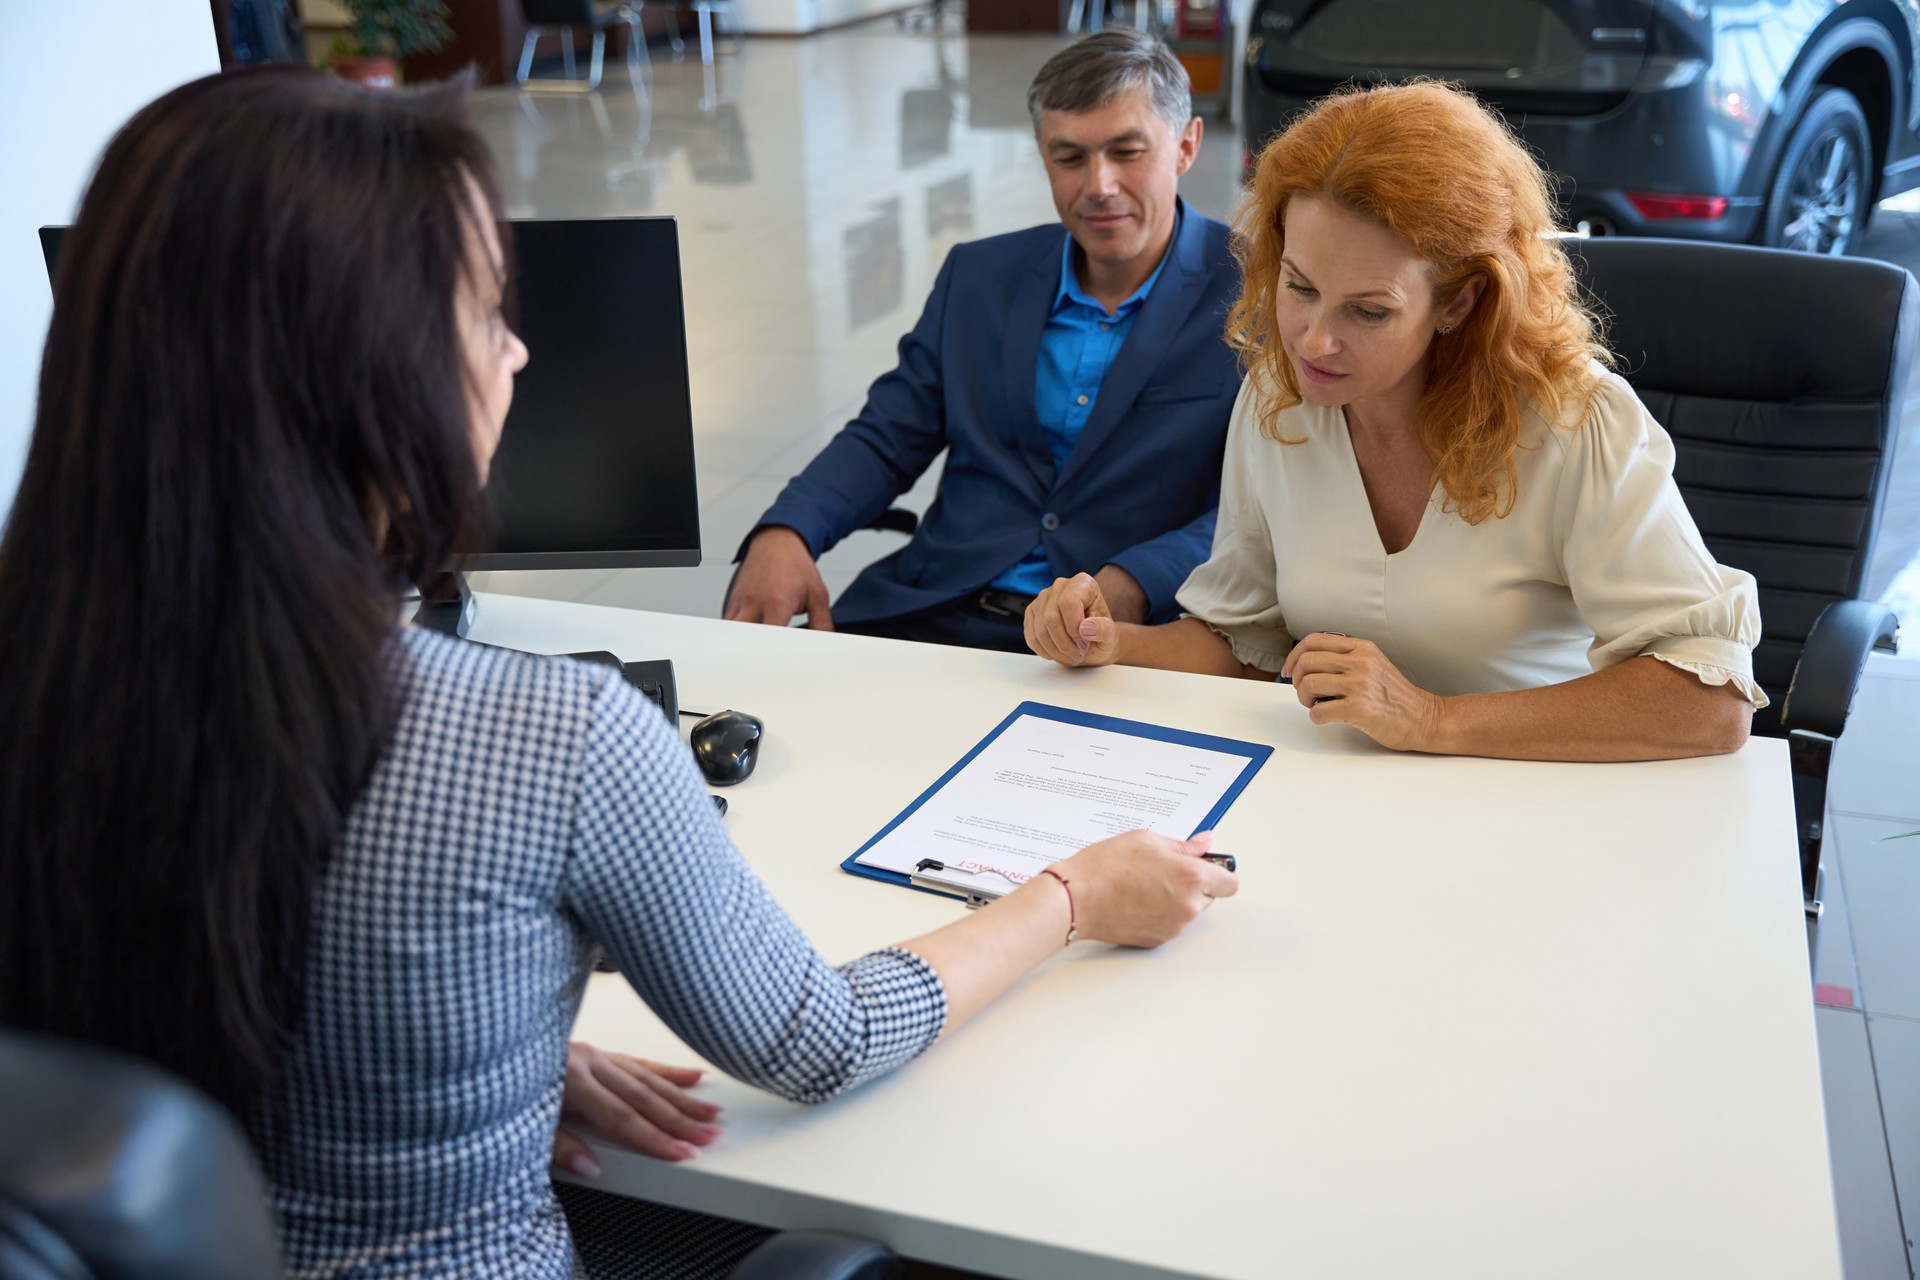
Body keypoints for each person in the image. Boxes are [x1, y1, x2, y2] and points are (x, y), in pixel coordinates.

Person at [0, 69, 1238, 1279]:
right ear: (380, 377)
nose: (521, 355)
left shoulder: (56, 680)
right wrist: (1071, 893)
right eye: (490, 312)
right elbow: (821, 1039)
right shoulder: (554, 734)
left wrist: (478, 1054)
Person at [1023, 81, 1764, 763]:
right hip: (1351, 797)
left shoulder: (1576, 423)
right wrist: (1109, 644)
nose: (1315, 340)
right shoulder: (1282, 399)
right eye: (1300, 288)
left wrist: (1432, 719)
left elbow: (1711, 703)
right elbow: (1242, 642)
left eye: (1368, 311)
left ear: (1459, 303)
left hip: (1538, 802)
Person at [723, 30, 1241, 652]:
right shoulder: (978, 276)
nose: (1099, 185)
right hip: (936, 609)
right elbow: (887, 436)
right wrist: (787, 531)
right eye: (1069, 158)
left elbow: (1260, 509)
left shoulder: (1260, 294)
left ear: (1186, 146)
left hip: (1120, 639)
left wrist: (1129, 582)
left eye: (1127, 152)